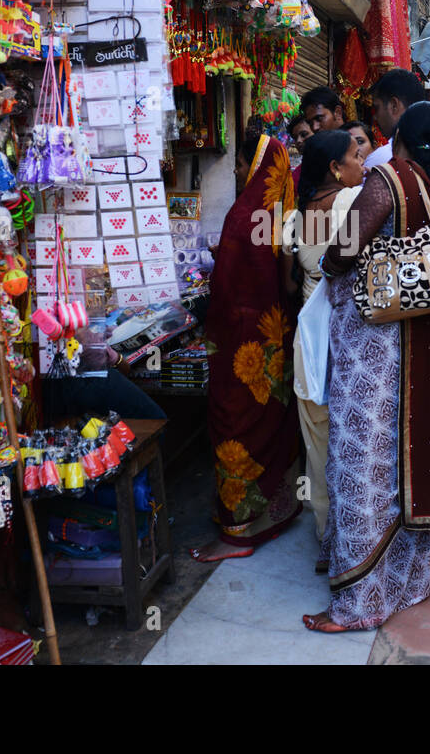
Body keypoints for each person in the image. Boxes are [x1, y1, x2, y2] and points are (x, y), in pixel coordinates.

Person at [308, 102, 430, 631]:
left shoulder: (389, 177)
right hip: (415, 343)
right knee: (406, 450)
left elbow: (347, 246)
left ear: (397, 135)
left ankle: (361, 599)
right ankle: (413, 571)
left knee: (365, 456)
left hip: (375, 345)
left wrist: (330, 264)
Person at [191, 134, 303, 562]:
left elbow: (233, 287)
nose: (237, 172)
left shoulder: (244, 216)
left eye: (239, 164)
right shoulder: (282, 212)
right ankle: (274, 513)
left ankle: (236, 535)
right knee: (272, 422)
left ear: (255, 167)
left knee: (234, 426)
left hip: (242, 344)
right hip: (275, 337)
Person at [280, 130, 365, 561]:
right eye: (355, 155)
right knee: (353, 438)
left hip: (309, 338)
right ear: (335, 167)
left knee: (316, 441)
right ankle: (356, 541)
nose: (362, 162)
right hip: (348, 333)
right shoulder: (353, 202)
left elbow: (289, 278)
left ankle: (325, 535)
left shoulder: (296, 215)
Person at [363, 68, 430, 192]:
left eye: (377, 108)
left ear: (394, 105)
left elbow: (356, 211)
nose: (375, 117)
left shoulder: (381, 159)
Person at [287, 111, 314, 189]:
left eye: (304, 134)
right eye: (295, 138)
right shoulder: (296, 175)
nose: (298, 141)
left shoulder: (333, 163)